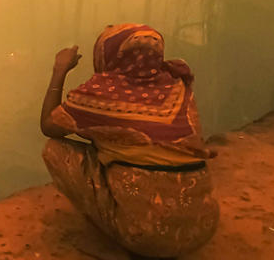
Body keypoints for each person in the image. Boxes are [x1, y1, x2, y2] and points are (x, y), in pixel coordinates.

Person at [39, 24, 219, 258]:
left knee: (55, 150)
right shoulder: (178, 86)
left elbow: (49, 126)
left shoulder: (100, 96)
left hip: (148, 237)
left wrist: (60, 69)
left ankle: (117, 228)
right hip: (204, 227)